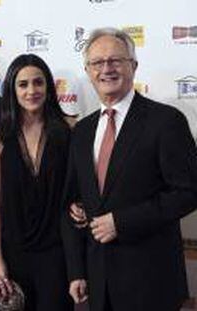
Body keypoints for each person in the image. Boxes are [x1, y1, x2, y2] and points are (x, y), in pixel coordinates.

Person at [67, 27, 197, 311]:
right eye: (97, 63)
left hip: (151, 280)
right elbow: (77, 197)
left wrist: (122, 222)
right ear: (88, 71)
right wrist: (77, 268)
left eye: (116, 60)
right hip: (99, 281)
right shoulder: (82, 131)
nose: (107, 69)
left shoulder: (165, 121)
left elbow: (188, 192)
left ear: (133, 66)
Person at [0, 54, 83, 310]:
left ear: (48, 86)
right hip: (13, 252)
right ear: (12, 89)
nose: (32, 91)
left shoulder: (70, 129)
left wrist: (81, 207)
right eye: (23, 84)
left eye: (38, 83)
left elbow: (80, 190)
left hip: (57, 253)